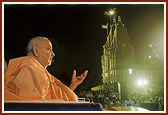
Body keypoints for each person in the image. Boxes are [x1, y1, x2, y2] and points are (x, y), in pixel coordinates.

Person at [4, 36, 88, 101]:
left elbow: (51, 98)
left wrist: (72, 85)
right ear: (36, 51)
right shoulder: (30, 67)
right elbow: (33, 101)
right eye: (49, 49)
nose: (53, 54)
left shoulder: (39, 71)